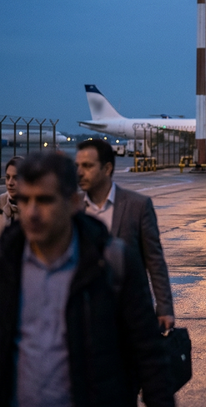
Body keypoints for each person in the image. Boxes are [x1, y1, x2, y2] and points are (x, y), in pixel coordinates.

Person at [0, 151, 175, 407]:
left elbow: (148, 357)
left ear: (74, 203)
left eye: (44, 200)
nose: (32, 212)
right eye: (25, 200)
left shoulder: (111, 263)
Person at [75, 139, 175, 331]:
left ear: (107, 169)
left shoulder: (137, 206)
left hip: (129, 312)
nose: (79, 172)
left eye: (87, 166)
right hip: (85, 314)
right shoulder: (72, 208)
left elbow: (154, 260)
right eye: (77, 166)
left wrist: (164, 307)